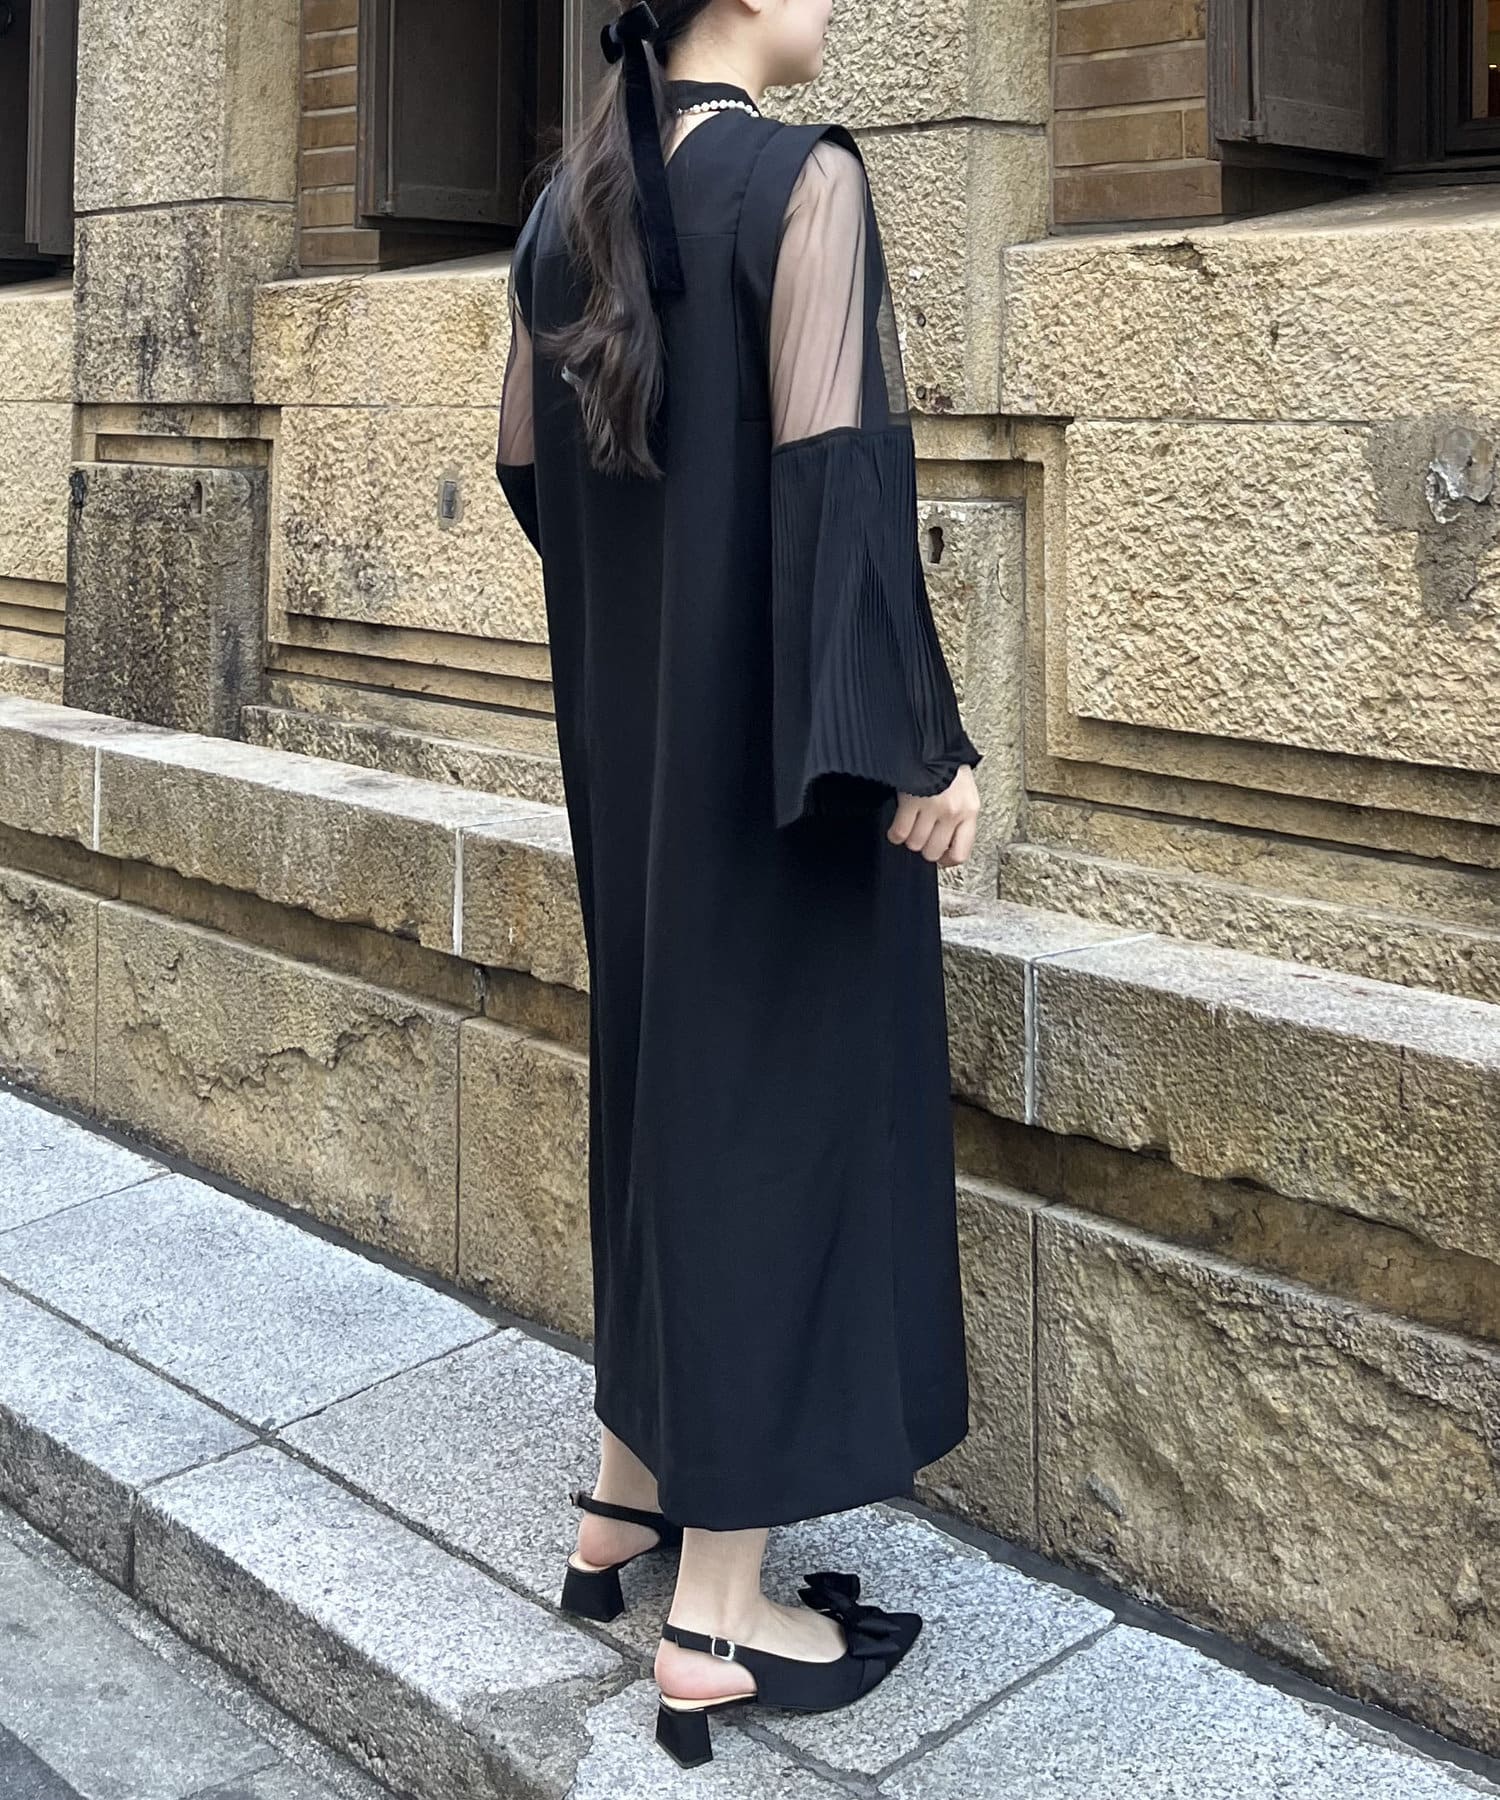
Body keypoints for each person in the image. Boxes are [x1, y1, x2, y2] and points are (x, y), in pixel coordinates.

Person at [495, 0, 983, 1766]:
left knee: (668, 1092)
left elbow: (527, 464)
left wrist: (654, 600)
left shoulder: (567, 205)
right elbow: (841, 487)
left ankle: (620, 1499)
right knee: (770, 1121)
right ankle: (716, 1614)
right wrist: (919, 748)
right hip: (777, 766)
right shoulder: (802, 184)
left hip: (635, 750)